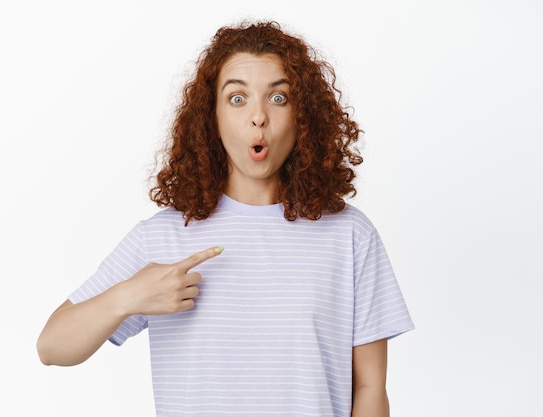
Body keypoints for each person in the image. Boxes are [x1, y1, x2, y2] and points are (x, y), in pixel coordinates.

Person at [37, 20, 414, 417]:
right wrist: (128, 297)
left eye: (279, 98)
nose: (258, 117)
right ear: (211, 118)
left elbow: (370, 386)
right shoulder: (164, 237)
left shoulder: (349, 235)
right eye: (237, 98)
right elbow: (51, 347)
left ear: (304, 116)